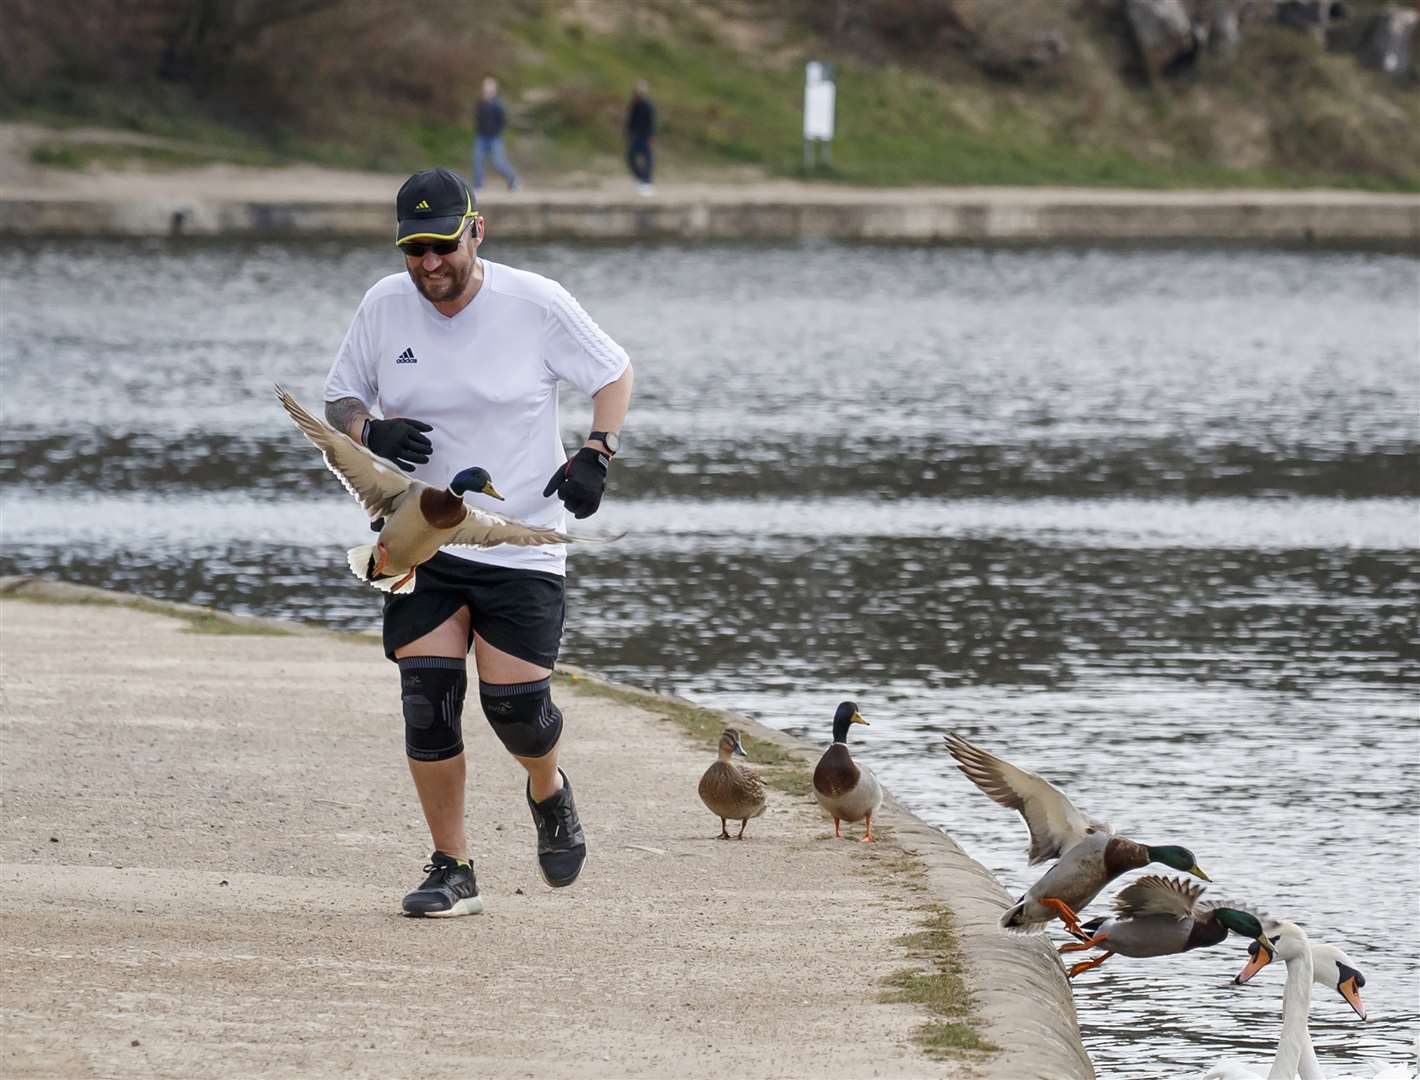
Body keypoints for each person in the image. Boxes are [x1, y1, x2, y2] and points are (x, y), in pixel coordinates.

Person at [323, 167, 633, 916]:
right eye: (412, 249)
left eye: (441, 245)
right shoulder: (384, 304)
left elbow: (613, 372)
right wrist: (371, 430)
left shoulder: (535, 302)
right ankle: (452, 867)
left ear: (476, 231)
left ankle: (547, 788)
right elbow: (338, 399)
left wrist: (597, 451)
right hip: (422, 542)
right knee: (427, 702)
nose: (429, 264)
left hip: (521, 540)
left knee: (518, 709)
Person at [472, 76, 519, 191]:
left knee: (498, 162)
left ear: (494, 90)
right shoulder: (480, 103)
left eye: (490, 88)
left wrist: (497, 132)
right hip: (481, 137)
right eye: (485, 88)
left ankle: (513, 180)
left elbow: (503, 121)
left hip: (494, 138)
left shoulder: (498, 105)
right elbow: (478, 119)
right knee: (477, 159)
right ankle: (478, 185)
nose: (487, 91)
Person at [625, 79, 656, 195]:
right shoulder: (634, 104)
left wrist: (650, 137)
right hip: (635, 137)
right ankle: (641, 179)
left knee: (648, 160)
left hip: (645, 137)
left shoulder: (649, 106)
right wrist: (629, 134)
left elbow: (652, 123)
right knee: (631, 158)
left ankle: (647, 182)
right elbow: (630, 121)